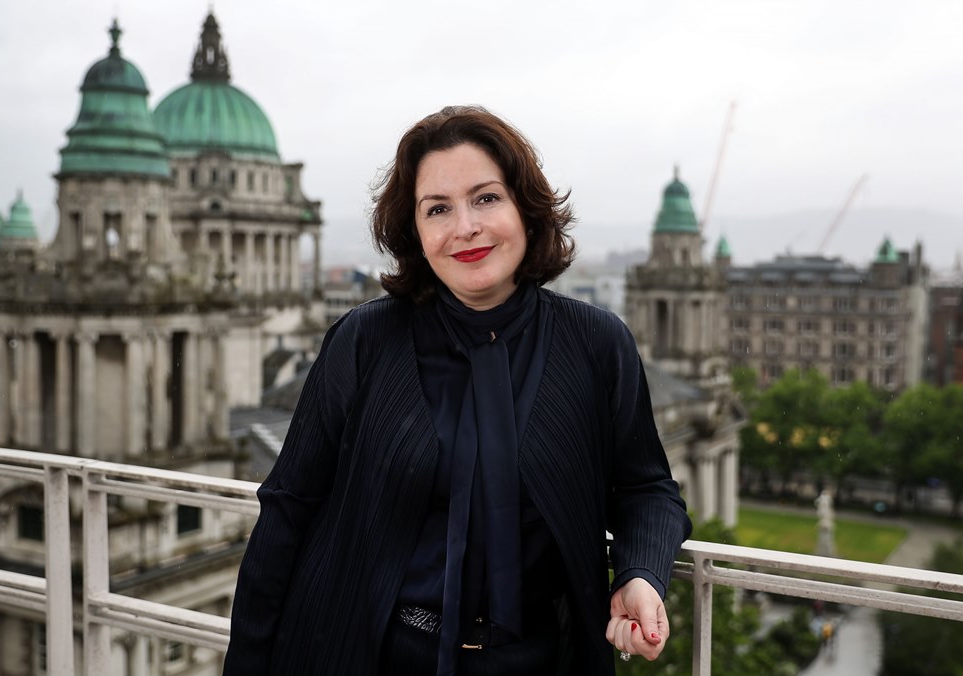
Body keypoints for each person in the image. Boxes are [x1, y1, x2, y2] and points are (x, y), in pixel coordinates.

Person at [223, 105, 692, 676]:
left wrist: (641, 572)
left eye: (486, 198)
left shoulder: (596, 343)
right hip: (366, 655)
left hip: (542, 662)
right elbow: (288, 512)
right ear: (415, 233)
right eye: (437, 209)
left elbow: (647, 487)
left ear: (526, 207)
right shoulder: (363, 341)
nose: (465, 226)